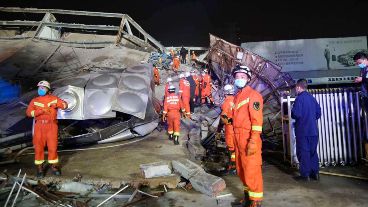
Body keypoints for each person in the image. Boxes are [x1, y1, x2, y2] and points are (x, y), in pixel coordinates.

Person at [231, 65, 263, 207]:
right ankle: (248, 198)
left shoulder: (253, 95)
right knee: (241, 169)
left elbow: (257, 122)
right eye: (237, 77)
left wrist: (253, 141)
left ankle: (255, 201)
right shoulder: (238, 96)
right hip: (238, 137)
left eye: (242, 77)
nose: (239, 79)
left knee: (251, 169)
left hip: (248, 137)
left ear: (248, 79)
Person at [26, 80, 68, 178]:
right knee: (38, 147)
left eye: (43, 88)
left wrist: (58, 105)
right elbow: (28, 113)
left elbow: (65, 105)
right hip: (39, 126)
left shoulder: (54, 99)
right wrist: (39, 112)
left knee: (52, 147)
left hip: (52, 126)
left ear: (48, 89)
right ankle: (40, 169)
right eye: (39, 88)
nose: (40, 89)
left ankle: (54, 167)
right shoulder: (35, 100)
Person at [291, 79, 321, 182]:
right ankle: (315, 173)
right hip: (314, 131)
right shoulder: (312, 98)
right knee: (313, 152)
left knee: (303, 153)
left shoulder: (299, 99)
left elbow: (296, 114)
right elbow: (318, 113)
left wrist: (291, 111)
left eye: (296, 87)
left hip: (303, 131)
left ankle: (305, 175)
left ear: (298, 87)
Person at [353, 52, 368, 160]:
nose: (358, 65)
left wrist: (362, 79)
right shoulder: (363, 69)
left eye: (359, 63)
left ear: (364, 59)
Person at [220, 84, 236, 173]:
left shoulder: (226, 102)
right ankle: (236, 164)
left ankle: (233, 166)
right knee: (236, 146)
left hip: (230, 128)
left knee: (231, 147)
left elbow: (224, 118)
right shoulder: (236, 100)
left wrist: (227, 122)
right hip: (237, 128)